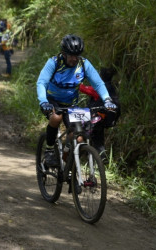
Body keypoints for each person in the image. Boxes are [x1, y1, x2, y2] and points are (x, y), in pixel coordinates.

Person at [36, 34, 117, 169]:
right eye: (70, 55)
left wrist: (107, 100)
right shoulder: (54, 62)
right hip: (52, 101)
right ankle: (49, 150)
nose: (74, 58)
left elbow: (98, 84)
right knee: (56, 118)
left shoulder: (84, 64)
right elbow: (41, 83)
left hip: (71, 104)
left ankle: (65, 164)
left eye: (77, 55)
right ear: (63, 53)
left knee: (79, 137)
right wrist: (43, 101)